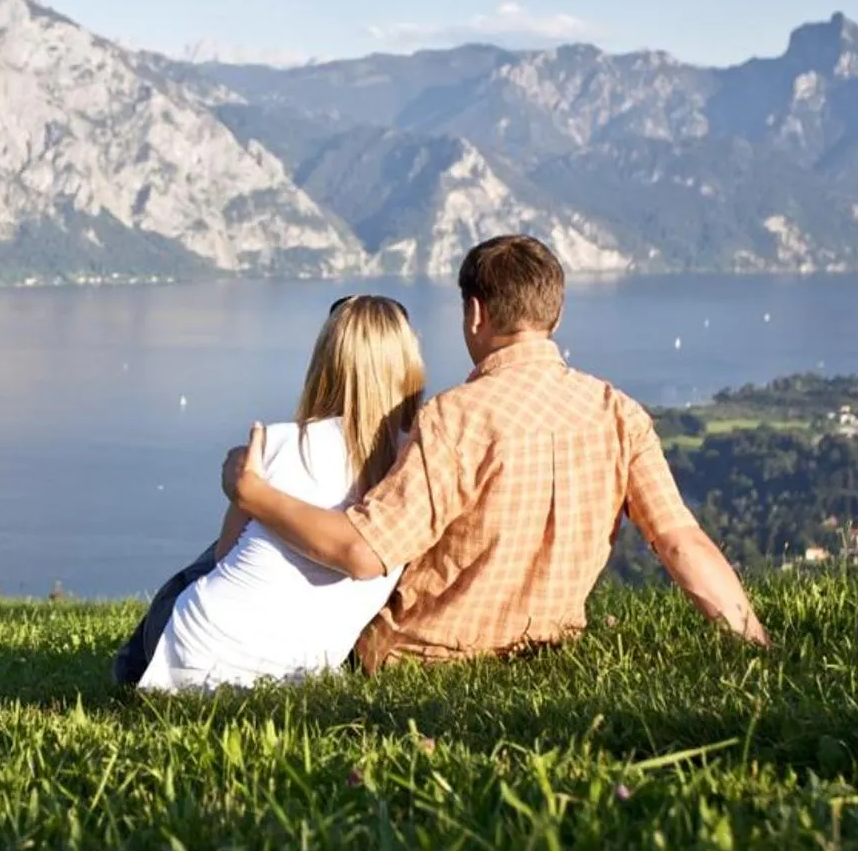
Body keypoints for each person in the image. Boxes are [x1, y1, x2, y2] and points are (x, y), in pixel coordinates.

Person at [220, 235, 768, 668]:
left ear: (476, 313)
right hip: (547, 650)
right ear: (554, 315)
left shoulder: (455, 418)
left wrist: (253, 493)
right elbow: (679, 542)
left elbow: (364, 552)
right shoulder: (619, 413)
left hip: (422, 657)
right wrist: (756, 647)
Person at [112, 295, 426, 691]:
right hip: (300, 671)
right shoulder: (417, 461)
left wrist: (242, 490)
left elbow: (224, 557)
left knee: (208, 560)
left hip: (197, 653)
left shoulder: (275, 443)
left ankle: (129, 669)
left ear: (325, 363)